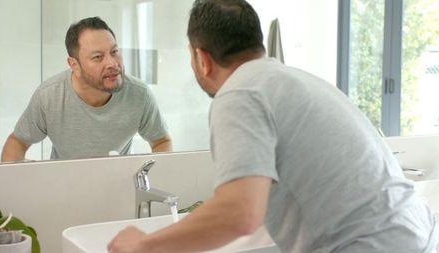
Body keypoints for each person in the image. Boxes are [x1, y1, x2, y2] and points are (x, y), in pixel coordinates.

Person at [107, 1, 438, 252]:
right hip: (415, 233)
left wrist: (143, 245)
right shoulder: (294, 79)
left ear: (202, 59)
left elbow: (239, 214)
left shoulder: (239, 93)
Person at [1, 17, 172, 161]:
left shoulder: (139, 94)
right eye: (98, 57)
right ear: (73, 64)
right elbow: (17, 142)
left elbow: (161, 142)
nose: (112, 63)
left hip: (119, 188)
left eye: (114, 52)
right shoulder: (49, 96)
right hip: (64, 190)